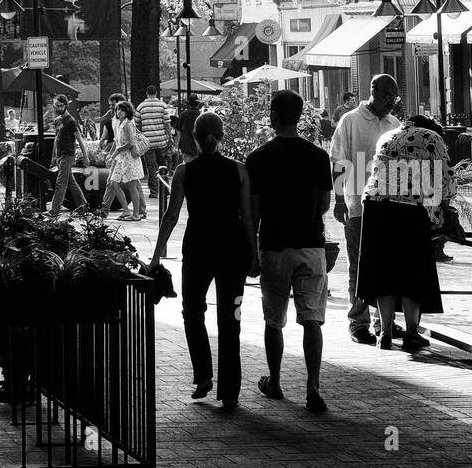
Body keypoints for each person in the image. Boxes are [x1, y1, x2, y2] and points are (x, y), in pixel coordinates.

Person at [147, 112, 255, 410]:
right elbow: (247, 217)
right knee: (230, 320)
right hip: (232, 249)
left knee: (192, 311)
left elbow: (171, 216)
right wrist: (254, 253)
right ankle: (230, 391)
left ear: (194, 137)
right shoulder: (239, 171)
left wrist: (156, 257)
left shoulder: (184, 171)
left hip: (197, 248)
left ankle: (203, 375)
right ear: (222, 137)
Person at [245, 89, 333, 414]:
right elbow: (324, 203)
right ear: (300, 117)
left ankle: (277, 381)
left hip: (273, 244)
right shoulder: (318, 156)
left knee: (274, 320)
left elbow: (253, 212)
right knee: (312, 319)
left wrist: (251, 252)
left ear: (273, 117)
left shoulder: (257, 158)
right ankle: (313, 385)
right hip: (310, 244)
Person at [357, 115, 450, 351]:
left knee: (384, 270)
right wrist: (440, 212)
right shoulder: (432, 137)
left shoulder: (386, 136)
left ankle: (385, 334)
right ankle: (411, 333)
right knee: (412, 271)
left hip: (375, 206)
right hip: (409, 208)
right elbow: (444, 181)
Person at [330, 74, 400, 345]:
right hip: (357, 204)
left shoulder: (393, 123)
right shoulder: (351, 121)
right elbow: (338, 161)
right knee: (358, 265)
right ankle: (358, 322)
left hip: (388, 207)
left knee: (387, 264)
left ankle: (384, 322)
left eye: (393, 100)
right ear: (373, 92)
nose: (390, 104)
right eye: (386, 98)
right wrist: (338, 199)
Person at [49, 95, 87, 218]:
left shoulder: (70, 121)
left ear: (66, 105)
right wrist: (53, 156)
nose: (59, 108)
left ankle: (54, 210)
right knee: (71, 182)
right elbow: (56, 139)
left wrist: (85, 156)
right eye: (57, 105)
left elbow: (79, 139)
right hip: (60, 155)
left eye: (61, 105)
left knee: (61, 183)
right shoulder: (57, 120)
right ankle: (83, 206)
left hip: (68, 155)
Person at [136, 84, 173, 205]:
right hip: (161, 140)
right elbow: (167, 124)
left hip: (147, 142)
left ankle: (154, 191)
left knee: (151, 166)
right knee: (163, 164)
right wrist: (170, 137)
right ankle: (165, 189)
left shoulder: (141, 107)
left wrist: (140, 138)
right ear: (156, 93)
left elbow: (137, 125)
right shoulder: (162, 105)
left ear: (147, 93)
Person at [110, 101, 147, 221]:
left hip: (129, 158)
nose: (119, 112)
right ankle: (126, 210)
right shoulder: (121, 123)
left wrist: (118, 150)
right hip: (122, 159)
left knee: (132, 186)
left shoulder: (128, 124)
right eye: (117, 109)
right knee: (114, 184)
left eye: (122, 110)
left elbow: (131, 143)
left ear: (127, 111)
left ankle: (136, 214)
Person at [178, 94, 203, 161]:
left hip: (186, 146)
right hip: (198, 147)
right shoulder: (201, 115)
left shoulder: (183, 114)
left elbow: (179, 131)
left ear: (189, 103)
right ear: (197, 104)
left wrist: (179, 144)